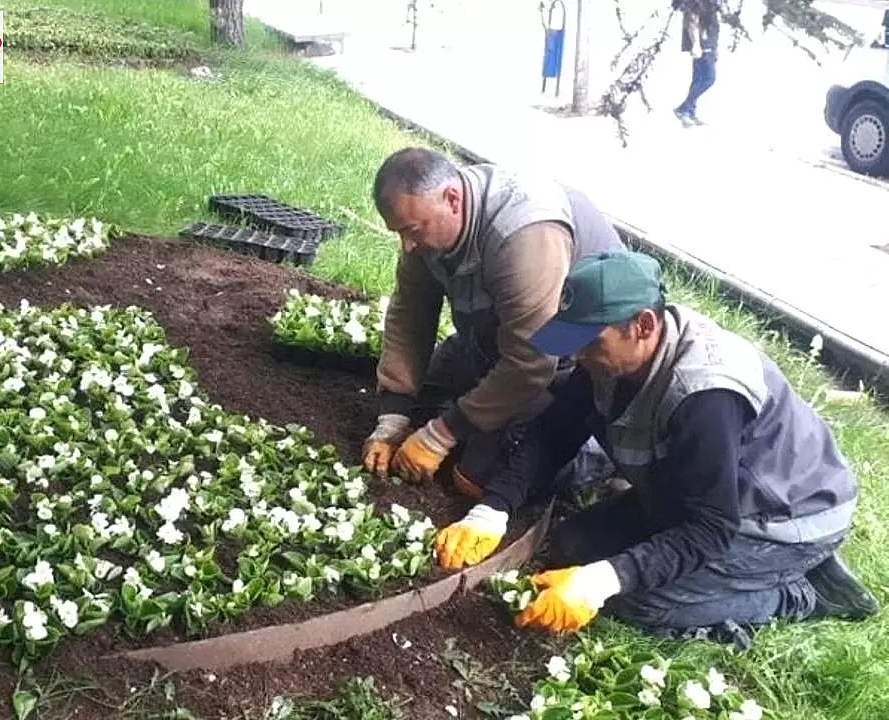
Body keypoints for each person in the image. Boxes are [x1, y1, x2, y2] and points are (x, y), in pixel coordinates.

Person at [435, 250, 879, 641]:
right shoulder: (613, 356)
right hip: (700, 491)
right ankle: (756, 572)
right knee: (573, 547)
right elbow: (556, 432)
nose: (579, 356)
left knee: (637, 603)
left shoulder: (705, 396)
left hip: (777, 514)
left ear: (643, 325)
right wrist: (492, 510)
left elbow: (710, 529)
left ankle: (800, 591)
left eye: (589, 342)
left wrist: (600, 585)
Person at [361, 147, 624, 512]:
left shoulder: (524, 233)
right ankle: (472, 413)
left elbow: (534, 359)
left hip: (569, 363)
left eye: (412, 231)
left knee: (475, 479)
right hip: (492, 339)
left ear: (452, 199)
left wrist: (440, 435)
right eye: (400, 233)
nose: (407, 245)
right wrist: (394, 415)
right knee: (419, 413)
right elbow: (410, 312)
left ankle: (588, 453)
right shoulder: (425, 229)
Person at [673, 0, 719, 127]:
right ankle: (684, 108)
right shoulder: (699, 3)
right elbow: (692, 22)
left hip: (708, 45)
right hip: (703, 46)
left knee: (698, 79)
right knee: (709, 78)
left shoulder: (710, 3)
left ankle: (689, 112)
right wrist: (696, 45)